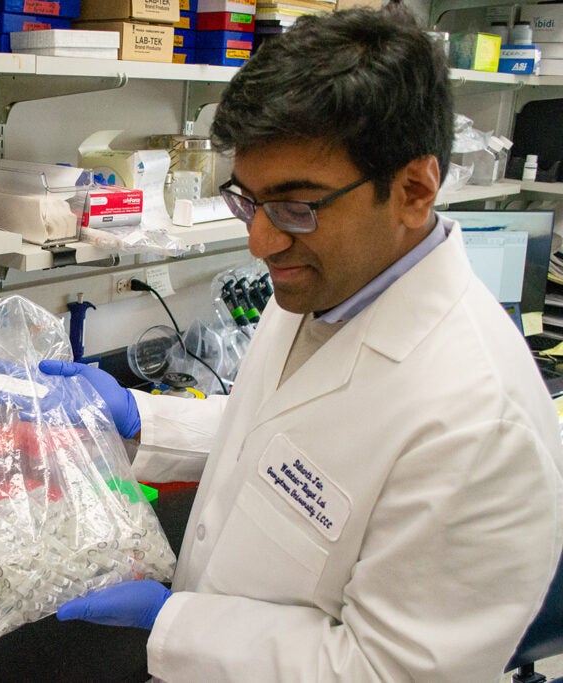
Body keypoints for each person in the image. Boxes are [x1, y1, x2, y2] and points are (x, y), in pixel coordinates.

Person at [43, 7, 563, 681]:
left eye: (296, 206)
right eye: (247, 200)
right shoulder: (330, 279)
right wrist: (150, 419)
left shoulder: (478, 426)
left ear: (413, 189)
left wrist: (177, 624)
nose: (260, 242)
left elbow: (383, 671)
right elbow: (289, 431)